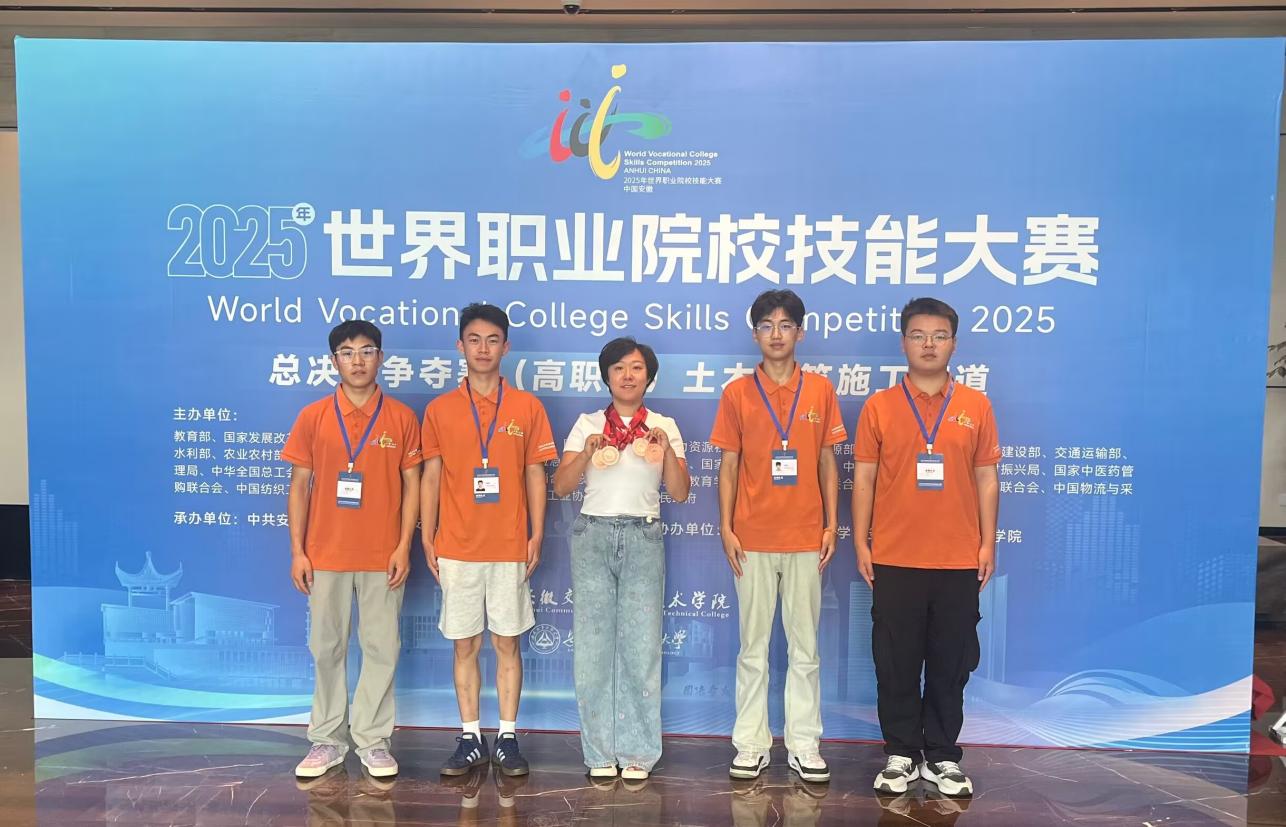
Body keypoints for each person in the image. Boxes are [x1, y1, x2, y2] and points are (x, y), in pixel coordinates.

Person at [852, 297, 1001, 798]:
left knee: (950, 661)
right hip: (895, 556)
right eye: (918, 335)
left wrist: (987, 542)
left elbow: (986, 477)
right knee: (895, 660)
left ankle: (941, 755)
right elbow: (865, 478)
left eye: (939, 336)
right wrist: (863, 541)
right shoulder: (880, 406)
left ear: (954, 344)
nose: (929, 345)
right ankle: (900, 753)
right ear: (904, 343)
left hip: (959, 557)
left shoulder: (975, 406)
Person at [711, 289, 847, 784]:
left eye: (785, 325)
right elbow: (729, 466)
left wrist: (831, 524)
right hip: (751, 539)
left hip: (807, 537)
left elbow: (828, 460)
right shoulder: (737, 394)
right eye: (766, 325)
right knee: (753, 648)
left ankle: (804, 743)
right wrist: (727, 527)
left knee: (805, 649)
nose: (776, 334)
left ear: (800, 333)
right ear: (755, 335)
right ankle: (751, 743)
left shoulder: (821, 391)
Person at [420, 303, 558, 778]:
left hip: (508, 545)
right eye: (474, 340)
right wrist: (427, 535)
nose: (483, 348)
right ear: (460, 346)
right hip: (457, 546)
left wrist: (536, 532)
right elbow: (431, 476)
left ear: (506, 347)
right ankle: (469, 737)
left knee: (507, 643)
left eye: (492, 340)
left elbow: (535, 473)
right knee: (464, 645)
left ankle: (507, 737)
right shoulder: (439, 410)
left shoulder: (527, 407)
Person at [284, 320, 423, 779]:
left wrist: (403, 545)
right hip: (325, 554)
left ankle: (373, 740)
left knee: (382, 648)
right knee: (326, 648)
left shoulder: (401, 418)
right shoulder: (313, 417)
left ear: (381, 358)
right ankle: (326, 739)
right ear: (334, 361)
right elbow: (299, 485)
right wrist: (298, 551)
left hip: (383, 556)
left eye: (366, 351)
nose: (357, 360)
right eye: (347, 352)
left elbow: (412, 485)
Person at [551, 337, 690, 781]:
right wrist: (587, 452)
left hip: (643, 536)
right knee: (592, 648)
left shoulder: (663, 425)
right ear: (606, 376)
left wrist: (667, 450)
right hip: (592, 534)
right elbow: (562, 486)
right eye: (618, 368)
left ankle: (638, 753)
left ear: (649, 377)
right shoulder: (588, 424)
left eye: (636, 368)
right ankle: (598, 752)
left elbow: (680, 492)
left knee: (641, 647)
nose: (627, 376)